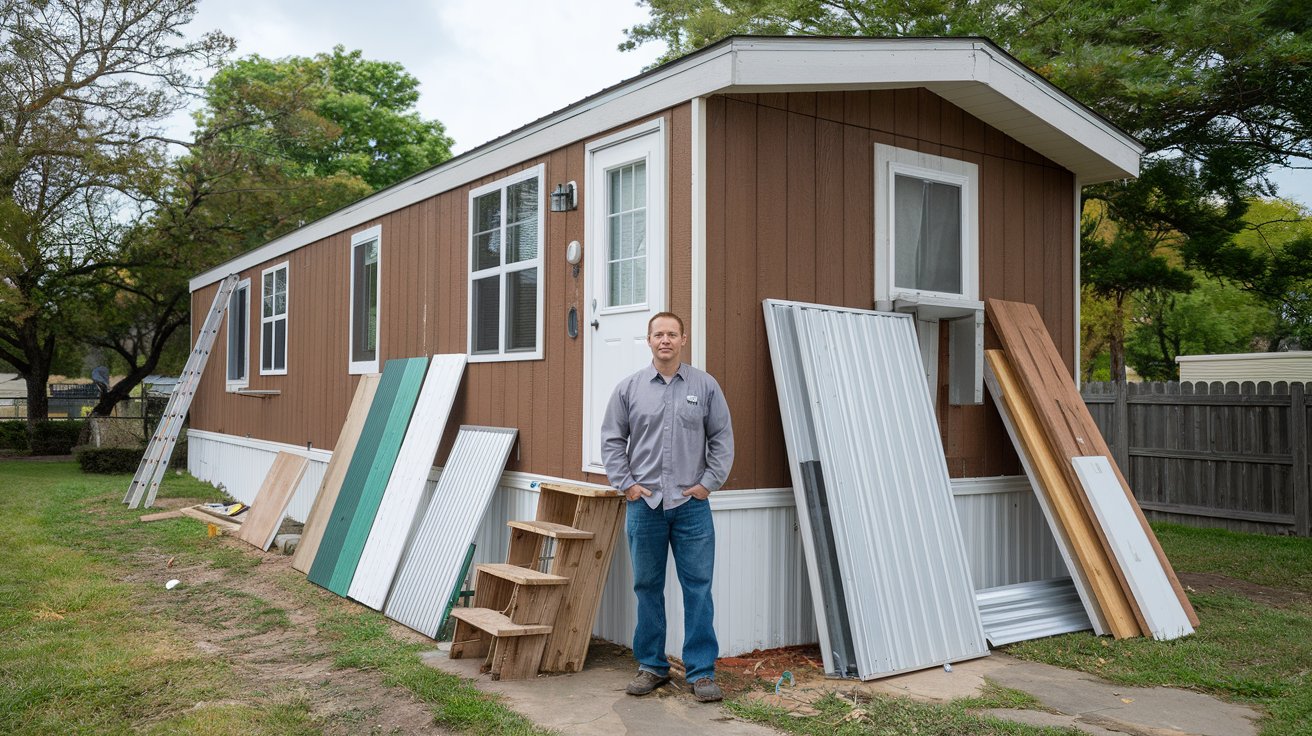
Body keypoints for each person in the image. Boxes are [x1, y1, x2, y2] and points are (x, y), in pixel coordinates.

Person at [601, 311, 734, 703]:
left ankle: (701, 672)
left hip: (691, 506)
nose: (665, 340)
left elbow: (722, 439)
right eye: (658, 334)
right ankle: (652, 666)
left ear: (683, 339)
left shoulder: (705, 386)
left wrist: (708, 484)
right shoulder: (629, 389)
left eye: (672, 334)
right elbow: (612, 440)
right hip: (646, 506)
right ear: (648, 340)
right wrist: (626, 485)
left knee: (698, 589)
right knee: (647, 588)